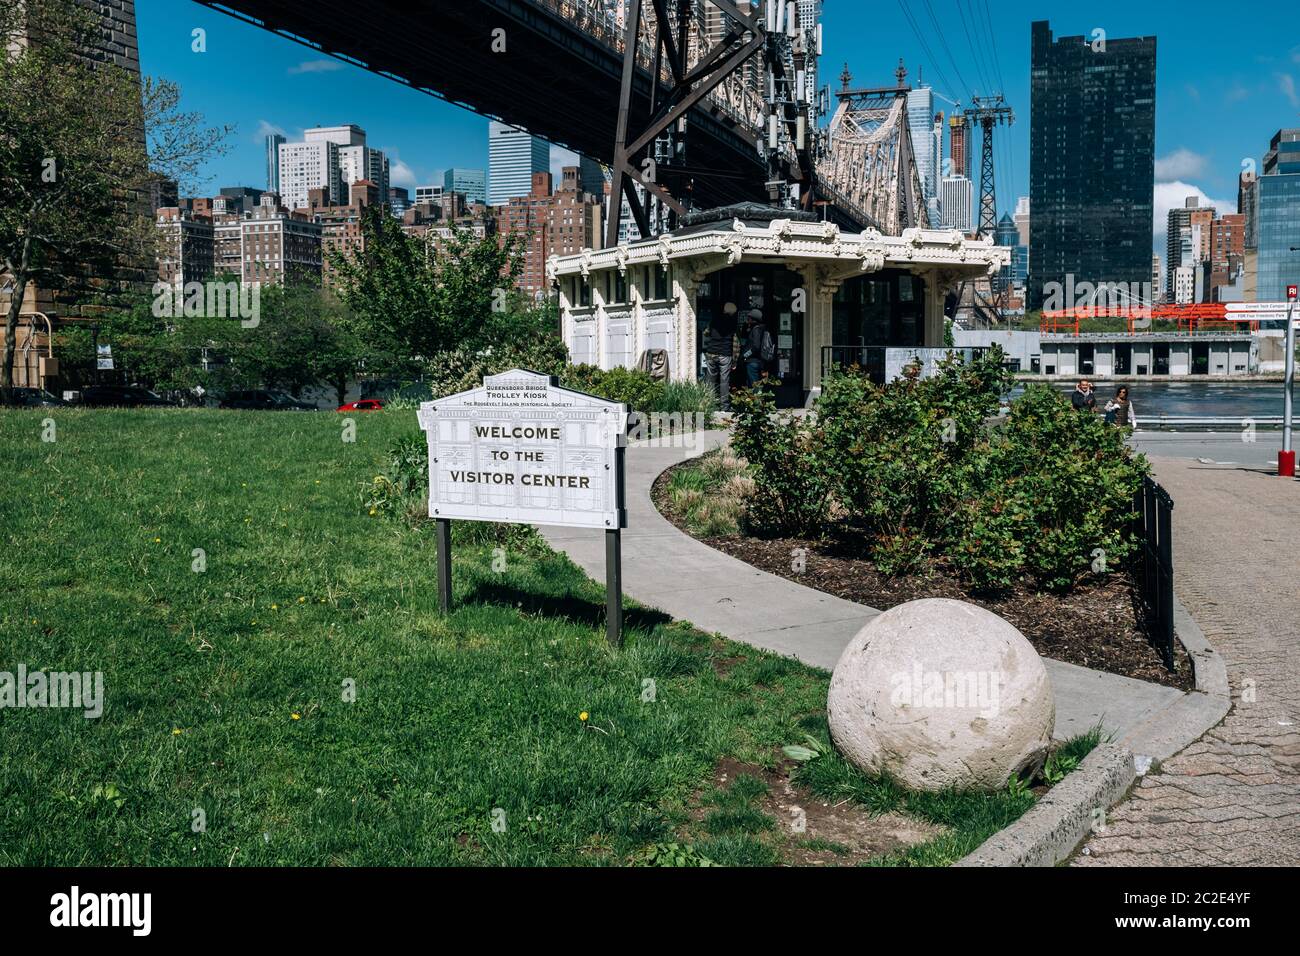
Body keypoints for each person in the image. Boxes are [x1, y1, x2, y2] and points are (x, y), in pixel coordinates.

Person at [703, 301, 738, 411]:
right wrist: (735, 360)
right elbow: (736, 343)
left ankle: (709, 404)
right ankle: (725, 406)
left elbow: (706, 333)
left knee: (710, 380)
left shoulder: (714, 320)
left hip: (711, 352)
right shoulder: (733, 323)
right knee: (724, 381)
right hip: (725, 354)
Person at [742, 309, 773, 387]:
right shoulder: (761, 328)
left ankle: (756, 399)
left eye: (748, 318)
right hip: (759, 361)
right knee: (756, 384)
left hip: (753, 362)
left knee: (754, 386)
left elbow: (756, 346)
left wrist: (745, 355)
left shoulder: (756, 330)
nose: (747, 320)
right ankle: (757, 398)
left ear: (753, 319)